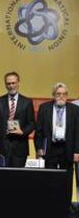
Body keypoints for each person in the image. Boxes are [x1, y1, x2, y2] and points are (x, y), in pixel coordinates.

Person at [34, 83, 79, 211]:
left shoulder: (74, 110)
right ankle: (50, 202)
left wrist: (77, 151)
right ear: (53, 95)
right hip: (51, 148)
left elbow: (77, 132)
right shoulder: (44, 108)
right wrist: (38, 147)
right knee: (50, 177)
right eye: (58, 94)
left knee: (68, 178)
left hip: (68, 148)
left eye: (64, 94)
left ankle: (66, 204)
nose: (61, 97)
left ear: (67, 95)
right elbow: (39, 130)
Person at [0, 72, 35, 167]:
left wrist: (22, 131)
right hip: (1, 148)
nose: (11, 86)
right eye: (8, 83)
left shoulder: (27, 102)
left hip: (20, 148)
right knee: (0, 179)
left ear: (18, 83)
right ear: (5, 84)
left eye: (13, 83)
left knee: (18, 179)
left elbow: (32, 123)